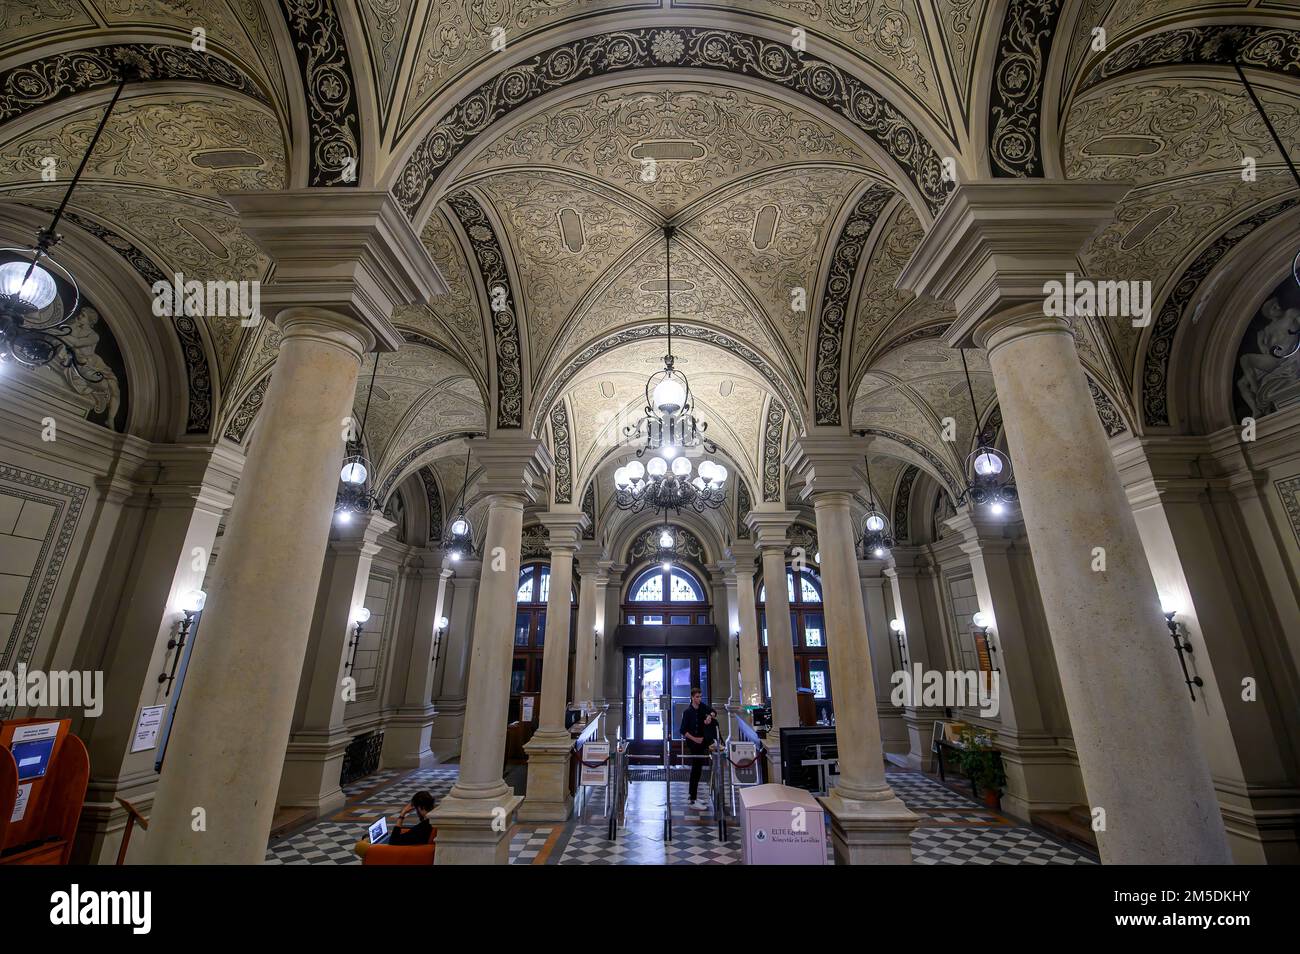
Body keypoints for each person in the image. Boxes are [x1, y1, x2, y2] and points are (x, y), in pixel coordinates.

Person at [353, 790, 435, 858]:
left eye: (416, 808)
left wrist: (402, 814)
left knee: (361, 846)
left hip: (395, 850)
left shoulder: (422, 828)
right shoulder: (432, 821)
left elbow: (394, 841)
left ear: (421, 808)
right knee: (369, 837)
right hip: (406, 844)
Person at [679, 688, 718, 810]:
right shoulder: (687, 712)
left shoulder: (702, 707)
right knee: (696, 770)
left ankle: (693, 796)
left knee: (698, 770)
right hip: (693, 744)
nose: (699, 699)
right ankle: (693, 799)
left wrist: (709, 717)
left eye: (700, 696)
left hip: (703, 743)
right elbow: (683, 730)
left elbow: (713, 712)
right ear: (692, 697)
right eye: (697, 697)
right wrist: (694, 739)